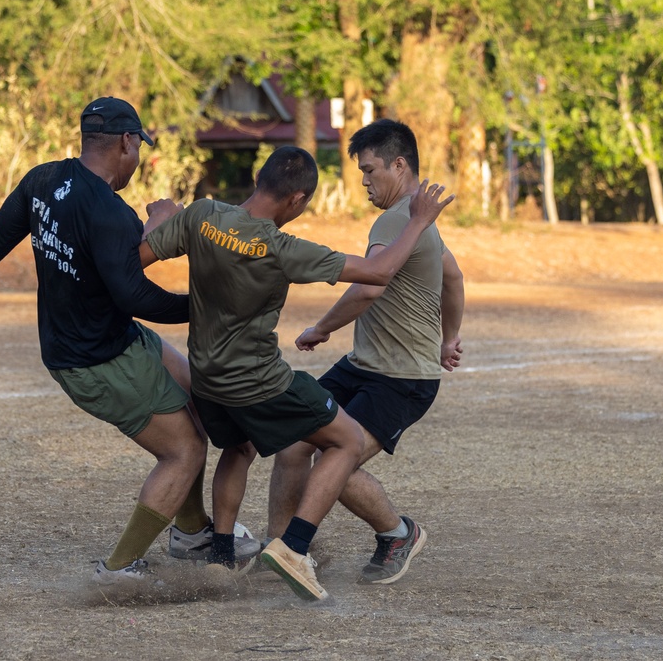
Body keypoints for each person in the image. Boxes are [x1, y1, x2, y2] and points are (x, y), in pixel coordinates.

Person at [0, 97, 255, 585]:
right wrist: (208, 306)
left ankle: (192, 531)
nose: (137, 159)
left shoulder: (42, 180)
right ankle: (118, 569)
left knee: (198, 393)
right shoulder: (112, 213)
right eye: (139, 147)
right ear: (127, 142)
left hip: (108, 336)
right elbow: (136, 294)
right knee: (187, 449)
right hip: (97, 359)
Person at [139, 146, 453, 601]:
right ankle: (295, 549)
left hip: (207, 377)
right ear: (298, 201)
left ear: (257, 179)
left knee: (238, 449)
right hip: (262, 383)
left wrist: (161, 217)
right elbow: (379, 272)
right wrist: (419, 220)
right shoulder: (281, 247)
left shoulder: (202, 215)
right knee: (343, 440)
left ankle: (222, 555)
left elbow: (142, 254)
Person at [265, 119, 465, 585]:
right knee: (294, 441)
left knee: (334, 462)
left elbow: (369, 286)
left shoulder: (398, 219)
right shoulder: (419, 224)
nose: (365, 182)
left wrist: (322, 327)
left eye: (371, 170)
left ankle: (397, 533)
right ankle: (278, 548)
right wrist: (449, 336)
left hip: (401, 379)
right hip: (362, 366)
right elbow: (452, 276)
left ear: (400, 165)